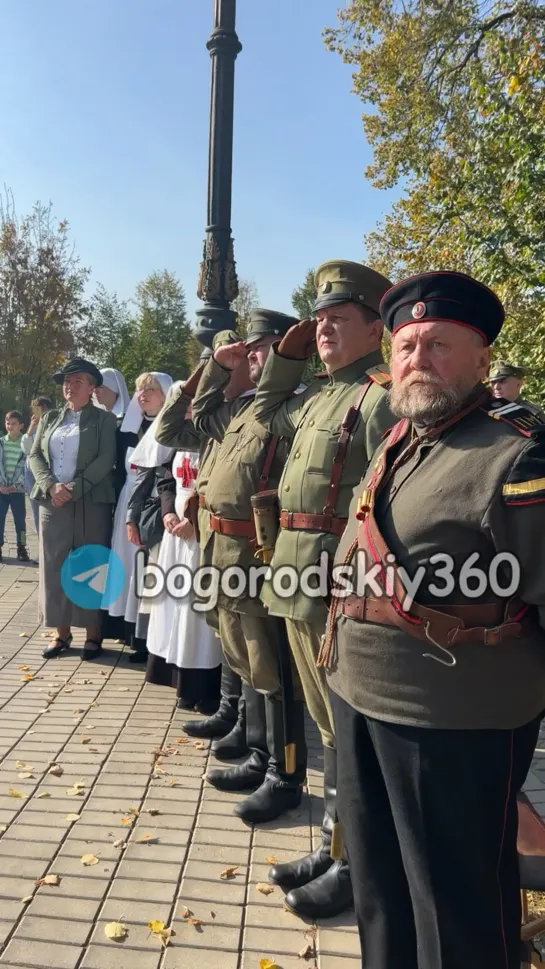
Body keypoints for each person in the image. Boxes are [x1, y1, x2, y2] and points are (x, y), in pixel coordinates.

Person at [324, 271, 545, 969]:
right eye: (407, 344)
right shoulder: (398, 440)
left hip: (451, 721)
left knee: (456, 917)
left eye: (438, 344)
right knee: (381, 895)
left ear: (481, 359)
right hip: (360, 697)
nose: (418, 358)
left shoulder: (516, 453)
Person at [252, 260, 395, 918]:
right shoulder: (314, 395)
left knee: (346, 733)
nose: (324, 330)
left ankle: (352, 865)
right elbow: (263, 414)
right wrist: (285, 355)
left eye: (339, 320)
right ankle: (332, 845)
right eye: (319, 321)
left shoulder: (378, 396)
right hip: (292, 570)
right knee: (326, 730)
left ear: (375, 327)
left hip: (336, 579)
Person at [191, 309, 308, 825]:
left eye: (262, 349)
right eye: (253, 350)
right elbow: (193, 418)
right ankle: (260, 753)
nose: (254, 357)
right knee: (246, 660)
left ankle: (284, 774)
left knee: (274, 670)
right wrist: (217, 368)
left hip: (262, 559)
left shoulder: (292, 409)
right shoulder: (243, 412)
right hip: (227, 554)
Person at [155, 340, 255, 759]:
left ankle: (255, 732)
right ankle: (232, 712)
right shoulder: (220, 415)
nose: (225, 373)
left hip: (247, 541)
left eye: (238, 362)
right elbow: (167, 431)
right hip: (213, 537)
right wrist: (206, 371)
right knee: (229, 631)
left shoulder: (262, 409)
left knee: (252, 642)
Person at [29, 358, 117, 660]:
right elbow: (35, 455)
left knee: (90, 564)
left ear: (92, 386)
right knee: (55, 566)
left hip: (90, 501)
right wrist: (52, 485)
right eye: (66, 380)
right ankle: (60, 632)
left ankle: (93, 634)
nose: (69, 385)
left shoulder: (104, 419)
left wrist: (75, 488)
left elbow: (106, 459)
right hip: (52, 501)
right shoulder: (51, 417)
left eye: (77, 380)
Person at [145, 446, 222, 710]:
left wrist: (194, 519)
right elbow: (167, 478)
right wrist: (168, 511)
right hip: (175, 536)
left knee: (196, 611)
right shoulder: (180, 439)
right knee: (175, 606)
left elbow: (222, 485)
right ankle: (181, 683)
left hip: (201, 535)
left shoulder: (216, 435)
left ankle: (206, 688)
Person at [104, 372, 172, 637]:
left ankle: (148, 633)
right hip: (129, 501)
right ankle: (126, 626)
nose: (143, 394)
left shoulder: (172, 427)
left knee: (151, 565)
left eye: (150, 389)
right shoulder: (126, 430)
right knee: (128, 562)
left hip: (159, 502)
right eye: (140, 389)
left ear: (165, 395)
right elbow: (119, 472)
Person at [94, 368, 131, 497]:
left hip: (119, 483)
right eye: (95, 387)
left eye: (101, 387)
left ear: (115, 389)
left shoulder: (129, 420)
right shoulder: (95, 419)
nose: (96, 391)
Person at [0, 410, 30, 562]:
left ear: (21, 425)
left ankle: (22, 547)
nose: (10, 426)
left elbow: (27, 467)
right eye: (8, 423)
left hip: (17, 491)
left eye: (13, 424)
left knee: (20, 521)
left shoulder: (24, 445)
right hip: (1, 490)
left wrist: (17, 485)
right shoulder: (1, 443)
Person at [21, 397, 53, 535]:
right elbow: (26, 449)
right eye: (35, 408)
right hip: (31, 473)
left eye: (41, 408)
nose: (39, 412)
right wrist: (31, 428)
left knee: (50, 509)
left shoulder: (54, 425)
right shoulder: (32, 428)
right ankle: (41, 541)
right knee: (35, 507)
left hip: (48, 471)